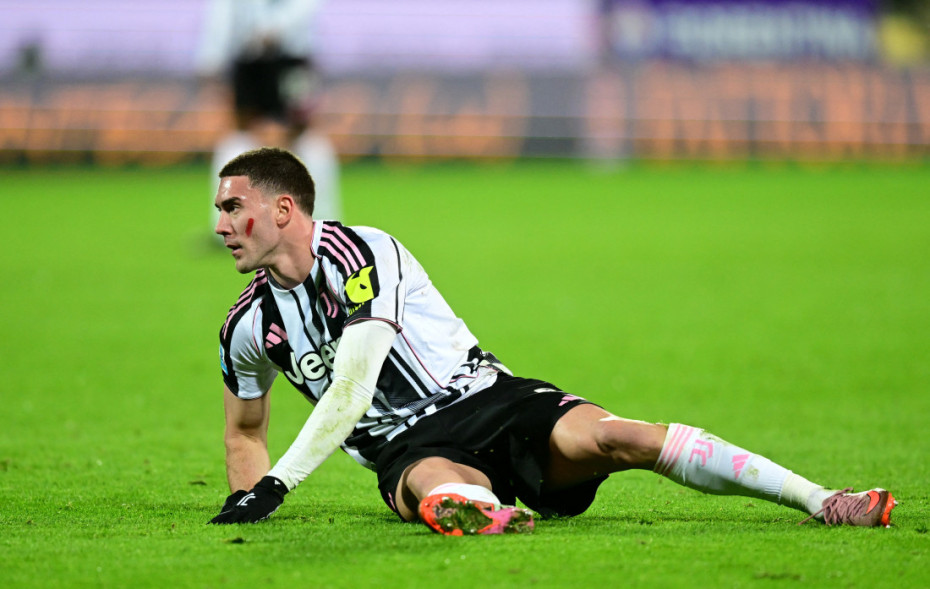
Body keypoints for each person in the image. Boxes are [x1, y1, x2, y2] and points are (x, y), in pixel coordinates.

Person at [207, 147, 896, 534]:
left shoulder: (363, 253)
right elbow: (244, 428)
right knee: (440, 492)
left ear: (284, 208)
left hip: (489, 399)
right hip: (406, 449)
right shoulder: (246, 326)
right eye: (220, 211)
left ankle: (821, 499)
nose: (220, 225)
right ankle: (485, 512)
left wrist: (276, 485)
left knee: (621, 437)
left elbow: (355, 384)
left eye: (233, 207)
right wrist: (245, 505)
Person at [196, 0, 341, 236]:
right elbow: (241, 118)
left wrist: (282, 139)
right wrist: (264, 138)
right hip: (257, 133)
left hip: (291, 135)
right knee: (230, 149)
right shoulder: (247, 63)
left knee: (317, 151)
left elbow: (303, 119)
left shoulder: (297, 66)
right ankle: (228, 229)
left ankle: (324, 229)